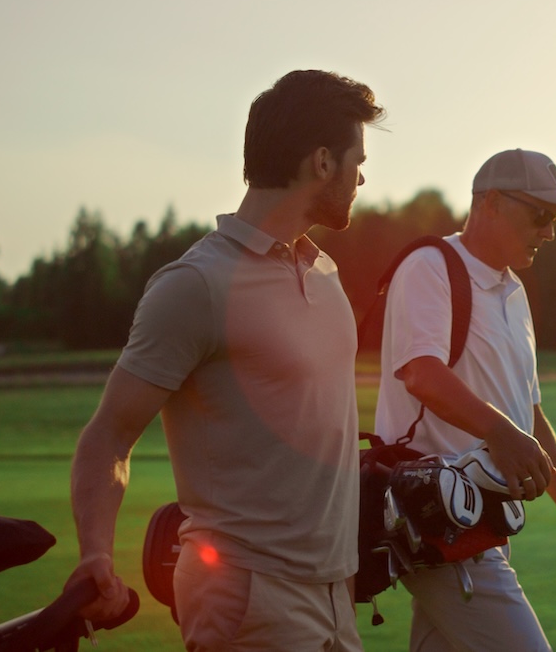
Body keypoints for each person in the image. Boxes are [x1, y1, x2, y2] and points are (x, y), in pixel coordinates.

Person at [66, 69, 385, 651]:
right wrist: (95, 554)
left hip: (339, 592)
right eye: (356, 159)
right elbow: (109, 435)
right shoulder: (196, 285)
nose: (362, 175)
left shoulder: (326, 274)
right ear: (320, 162)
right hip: (248, 595)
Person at [374, 148, 556, 651]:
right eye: (541, 214)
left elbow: (528, 413)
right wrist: (499, 432)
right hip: (435, 524)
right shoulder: (430, 267)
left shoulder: (514, 291)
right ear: (489, 203)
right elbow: (421, 373)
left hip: (482, 526)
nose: (549, 231)